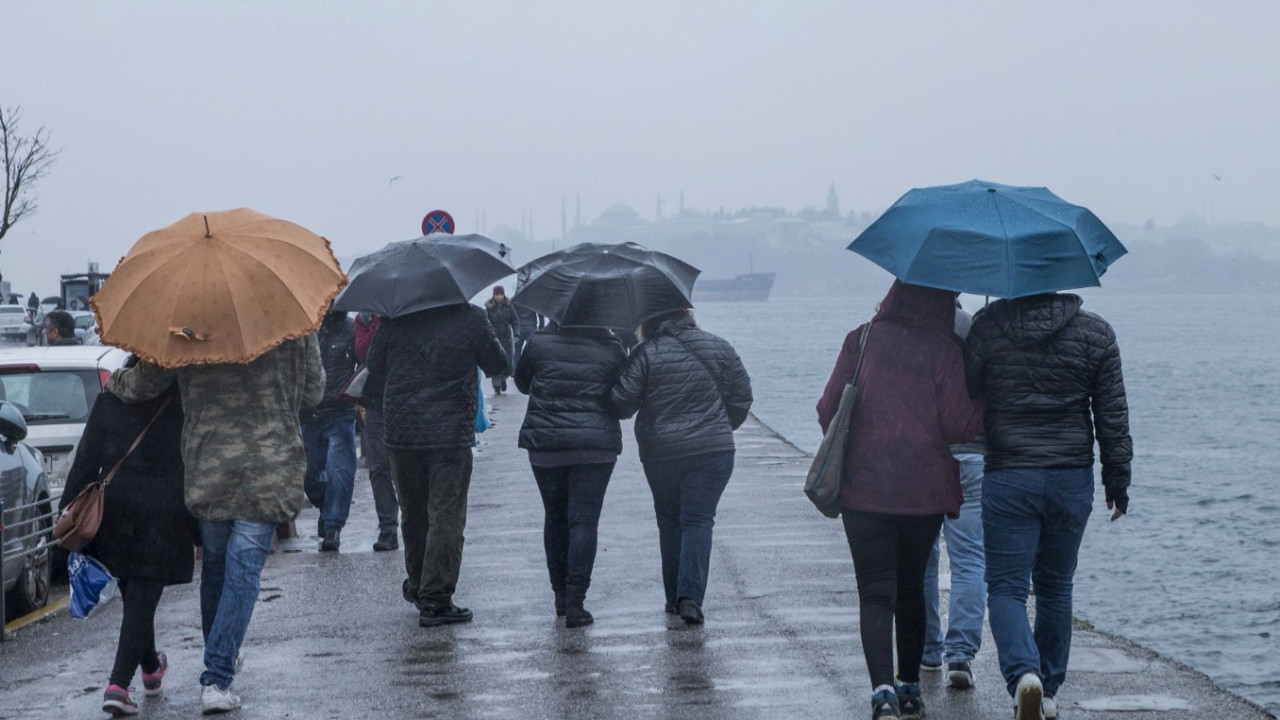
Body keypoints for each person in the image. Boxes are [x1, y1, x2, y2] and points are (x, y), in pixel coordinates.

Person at [107, 335, 323, 714]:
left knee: (218, 568)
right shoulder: (293, 323)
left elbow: (148, 382)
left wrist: (114, 382)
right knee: (243, 572)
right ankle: (217, 676)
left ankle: (220, 655)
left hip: (209, 467)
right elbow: (314, 393)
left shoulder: (191, 324)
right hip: (268, 467)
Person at [815, 280, 982, 720]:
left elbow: (826, 408)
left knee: (874, 594)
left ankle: (882, 694)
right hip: (922, 495)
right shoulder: (944, 349)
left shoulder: (862, 339)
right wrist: (982, 393)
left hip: (863, 490)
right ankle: (910, 690)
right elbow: (961, 426)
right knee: (911, 590)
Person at [964, 291, 1132, 720]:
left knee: (1006, 587)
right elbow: (1111, 415)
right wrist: (1118, 480)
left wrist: (987, 328)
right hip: (1069, 477)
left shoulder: (988, 325)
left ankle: (1024, 675)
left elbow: (969, 390)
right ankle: (1050, 689)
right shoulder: (1097, 333)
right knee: (1056, 585)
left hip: (1009, 474)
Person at [60, 368, 197, 717]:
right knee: (142, 597)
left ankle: (151, 668)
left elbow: (87, 457)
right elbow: (196, 461)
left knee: (136, 597)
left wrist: (68, 508)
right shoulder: (183, 399)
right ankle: (118, 685)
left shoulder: (111, 396)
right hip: (163, 512)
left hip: (114, 510)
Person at [366, 301, 507, 627]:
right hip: (450, 433)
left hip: (403, 430)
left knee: (414, 514)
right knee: (446, 514)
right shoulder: (472, 316)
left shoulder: (395, 316)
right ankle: (436, 598)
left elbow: (375, 365)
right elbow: (498, 363)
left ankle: (418, 586)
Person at [609, 308, 752, 626]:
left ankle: (674, 597)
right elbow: (742, 396)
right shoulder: (720, 346)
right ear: (686, 313)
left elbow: (621, 403)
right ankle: (691, 598)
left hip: (662, 451)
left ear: (649, 319)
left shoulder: (646, 352)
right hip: (713, 450)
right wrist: (719, 427)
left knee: (670, 520)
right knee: (699, 520)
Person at [514, 323, 627, 628]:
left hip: (546, 444)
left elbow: (522, 383)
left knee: (554, 516)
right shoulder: (612, 346)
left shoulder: (538, 342)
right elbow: (623, 396)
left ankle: (560, 596)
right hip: (595, 447)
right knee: (584, 520)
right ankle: (577, 603)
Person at [920, 303, 987, 690]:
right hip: (974, 453)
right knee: (969, 559)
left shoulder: (912, 326)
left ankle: (929, 650)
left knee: (923, 557)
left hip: (926, 455)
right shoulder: (975, 327)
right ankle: (959, 656)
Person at [300, 311, 359, 552]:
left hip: (340, 411)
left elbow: (366, 360)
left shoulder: (351, 327)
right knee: (308, 473)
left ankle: (333, 526)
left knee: (339, 470)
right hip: (308, 411)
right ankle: (327, 505)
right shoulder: (304, 328)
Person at [354, 312, 399, 552]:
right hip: (375, 402)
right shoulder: (365, 320)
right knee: (379, 467)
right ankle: (388, 528)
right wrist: (378, 324)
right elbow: (363, 353)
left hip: (404, 399)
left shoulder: (405, 315)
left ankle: (415, 524)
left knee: (404, 467)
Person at [483, 286, 519, 394]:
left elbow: (515, 321)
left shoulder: (509, 307)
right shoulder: (488, 309)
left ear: (503, 295)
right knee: (495, 363)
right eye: (497, 294)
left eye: (501, 294)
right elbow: (484, 324)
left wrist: (516, 335)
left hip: (506, 340)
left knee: (508, 365)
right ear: (494, 295)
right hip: (493, 340)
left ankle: (503, 379)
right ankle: (496, 386)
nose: (499, 296)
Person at [511, 302, 543, 370]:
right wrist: (541, 328)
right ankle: (532, 369)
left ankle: (515, 370)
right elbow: (540, 313)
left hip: (519, 328)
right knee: (532, 350)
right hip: (531, 327)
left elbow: (511, 315)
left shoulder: (515, 299)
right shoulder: (532, 299)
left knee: (517, 350)